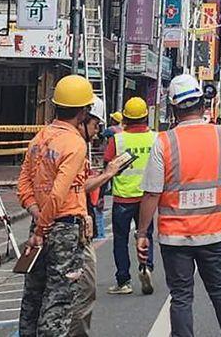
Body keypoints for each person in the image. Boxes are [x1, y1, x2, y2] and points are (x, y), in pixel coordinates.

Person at [137, 74, 221, 337]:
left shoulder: (164, 142)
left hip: (175, 239)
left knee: (182, 298)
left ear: (174, 109)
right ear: (202, 104)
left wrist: (143, 233)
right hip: (212, 234)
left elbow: (152, 194)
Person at [16, 74, 96, 337]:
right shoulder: (74, 143)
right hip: (62, 228)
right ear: (84, 111)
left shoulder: (40, 138)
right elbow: (59, 193)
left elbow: (24, 184)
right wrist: (43, 228)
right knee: (59, 297)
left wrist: (36, 217)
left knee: (33, 296)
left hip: (40, 223)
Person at [68, 97, 133, 337]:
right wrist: (109, 174)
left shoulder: (46, 139)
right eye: (96, 126)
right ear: (84, 117)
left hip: (62, 225)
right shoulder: (74, 145)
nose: (97, 134)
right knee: (83, 290)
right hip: (69, 228)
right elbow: (75, 186)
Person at [105, 96, 157, 296]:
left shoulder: (117, 139)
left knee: (120, 239)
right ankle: (146, 267)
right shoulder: (155, 138)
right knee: (146, 235)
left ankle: (123, 280)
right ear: (146, 117)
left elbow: (108, 164)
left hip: (123, 198)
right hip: (147, 199)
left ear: (125, 119)